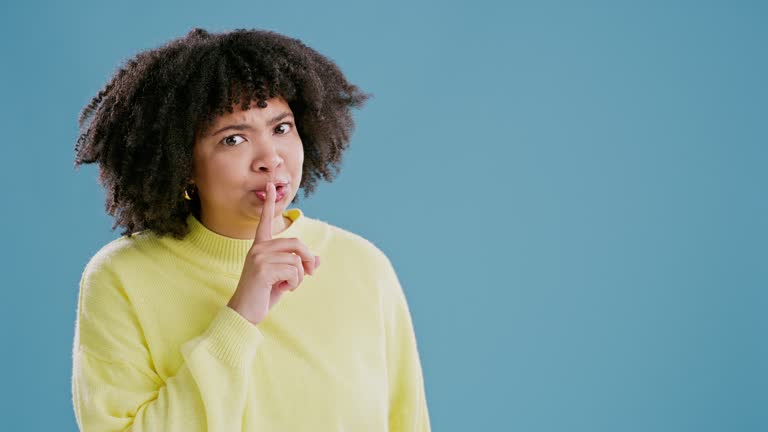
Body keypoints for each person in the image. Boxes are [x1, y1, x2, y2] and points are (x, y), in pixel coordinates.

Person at [71, 27, 431, 431]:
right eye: (233, 139)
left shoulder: (363, 266)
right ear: (180, 162)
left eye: (281, 128)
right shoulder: (122, 278)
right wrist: (239, 317)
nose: (270, 159)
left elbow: (409, 421)